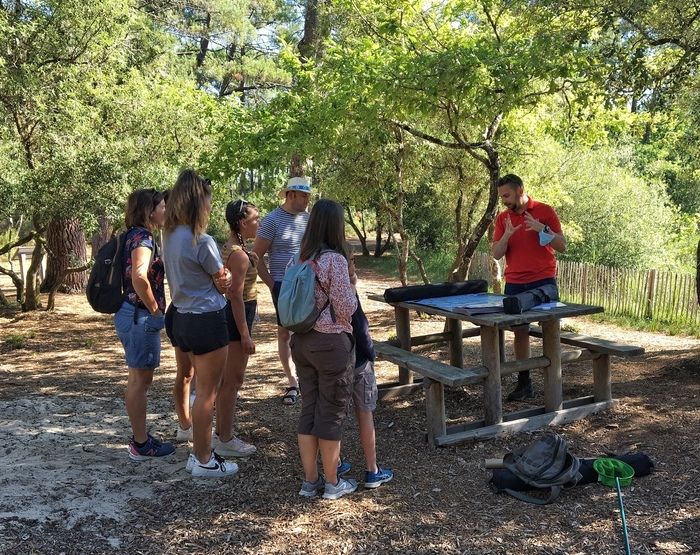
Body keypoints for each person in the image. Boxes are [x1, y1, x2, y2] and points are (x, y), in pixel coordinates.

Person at [163, 169, 238, 478]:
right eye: (208, 201)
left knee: (193, 383)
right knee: (207, 392)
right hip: (206, 319)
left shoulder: (168, 235)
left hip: (179, 316)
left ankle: (199, 450)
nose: (210, 206)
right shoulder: (201, 240)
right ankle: (204, 458)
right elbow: (223, 281)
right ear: (198, 202)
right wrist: (227, 279)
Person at [291, 199, 358, 500]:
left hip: (301, 341)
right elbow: (346, 307)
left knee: (309, 408)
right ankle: (332, 483)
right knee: (330, 412)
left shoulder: (299, 258)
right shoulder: (335, 260)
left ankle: (310, 481)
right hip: (330, 344)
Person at [491, 174, 567, 401]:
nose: (504, 200)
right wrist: (506, 235)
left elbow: (562, 246)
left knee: (550, 332)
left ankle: (554, 384)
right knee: (520, 332)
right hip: (514, 283)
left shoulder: (545, 211)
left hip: (543, 282)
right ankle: (525, 383)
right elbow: (496, 254)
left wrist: (541, 229)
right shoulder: (503, 219)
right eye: (501, 196)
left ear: (520, 190)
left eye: (507, 195)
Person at [113, 188, 175, 461]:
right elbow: (139, 277)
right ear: (150, 210)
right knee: (141, 381)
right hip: (139, 316)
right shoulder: (143, 238)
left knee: (136, 379)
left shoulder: (131, 235)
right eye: (162, 206)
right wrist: (154, 308)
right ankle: (140, 444)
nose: (165, 210)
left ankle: (140, 439)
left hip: (129, 314)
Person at [253, 177, 310, 405]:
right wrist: (272, 284)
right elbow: (256, 258)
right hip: (283, 287)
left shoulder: (310, 219)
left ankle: (308, 379)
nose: (307, 199)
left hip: (307, 286)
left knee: (307, 332)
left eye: (308, 195)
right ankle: (293, 382)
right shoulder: (271, 221)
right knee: (285, 334)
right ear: (290, 195)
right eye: (303, 195)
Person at [214, 199, 260, 457]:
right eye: (255, 219)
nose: (258, 223)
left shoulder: (235, 248)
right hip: (237, 318)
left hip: (234, 315)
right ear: (242, 223)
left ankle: (222, 433)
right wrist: (245, 335)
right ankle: (226, 439)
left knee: (227, 381)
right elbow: (235, 296)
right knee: (233, 380)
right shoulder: (239, 254)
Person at [348, 297, 394, 489]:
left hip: (329, 360)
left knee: (333, 415)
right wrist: (370, 353)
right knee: (365, 413)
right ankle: (372, 470)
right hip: (357, 360)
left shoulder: (310, 274)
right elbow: (360, 326)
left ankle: (335, 464)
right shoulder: (344, 285)